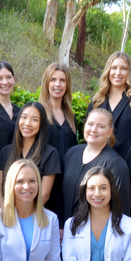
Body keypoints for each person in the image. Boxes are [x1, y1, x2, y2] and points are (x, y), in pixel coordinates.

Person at [62, 109, 131, 221]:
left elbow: (121, 207)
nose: (93, 130)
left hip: (95, 230)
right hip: (66, 229)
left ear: (109, 132)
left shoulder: (115, 163)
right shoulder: (71, 153)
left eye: (101, 126)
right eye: (90, 124)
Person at [0, 102, 60, 207]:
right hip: (7, 215)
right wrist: (5, 212)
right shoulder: (6, 151)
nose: (27, 123)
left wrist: (23, 215)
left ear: (41, 124)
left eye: (35, 119)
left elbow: (44, 194)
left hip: (34, 216)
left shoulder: (50, 153)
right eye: (24, 117)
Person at [86, 51, 131, 158]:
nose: (118, 72)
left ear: (130, 72)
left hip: (128, 164)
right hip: (97, 165)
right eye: (114, 68)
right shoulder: (96, 103)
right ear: (108, 71)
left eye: (123, 68)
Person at [39, 63, 78, 230]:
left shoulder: (71, 115)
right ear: (46, 83)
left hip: (67, 184)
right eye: (53, 79)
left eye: (62, 80)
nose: (57, 84)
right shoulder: (38, 113)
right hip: (46, 181)